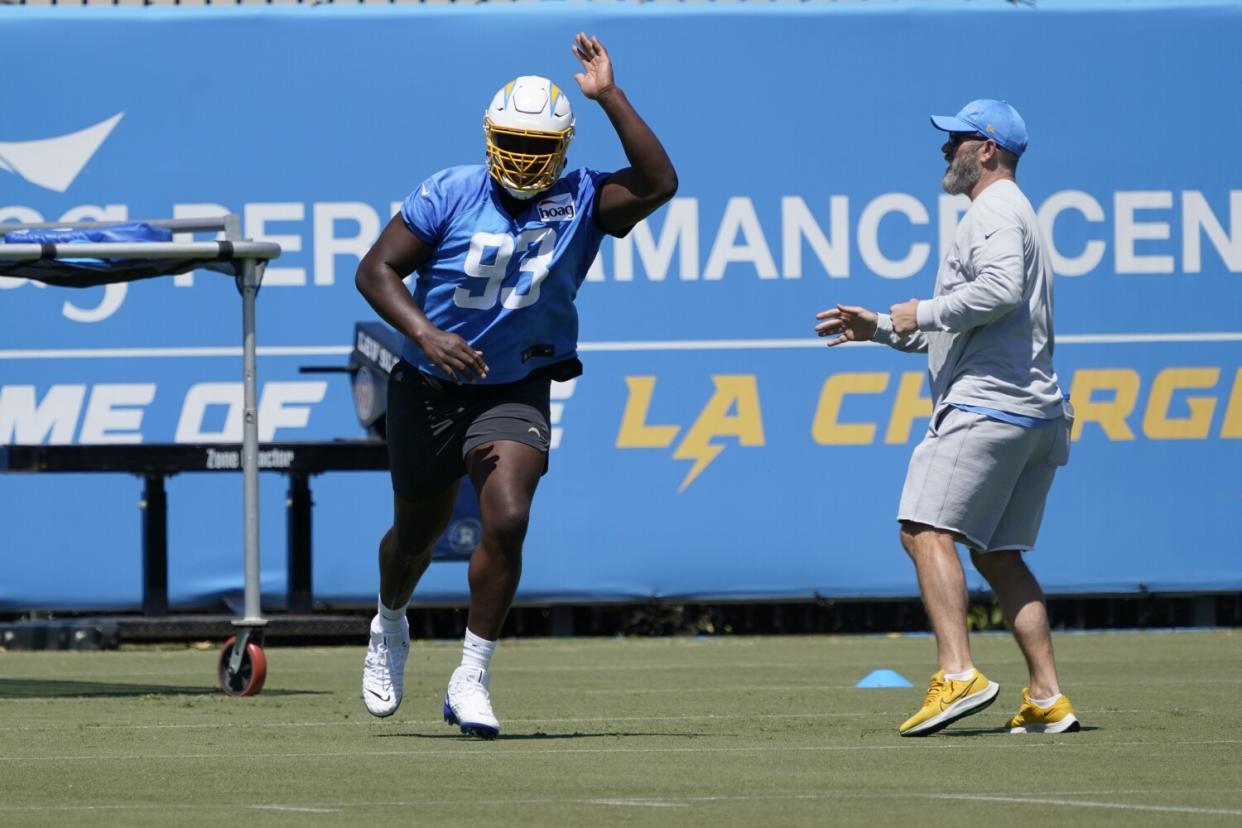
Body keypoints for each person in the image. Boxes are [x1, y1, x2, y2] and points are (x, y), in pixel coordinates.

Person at [353, 32, 677, 739]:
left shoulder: (583, 197)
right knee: (416, 535)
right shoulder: (451, 191)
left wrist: (610, 96)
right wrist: (429, 335)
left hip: (515, 384)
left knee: (506, 517)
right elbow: (375, 270)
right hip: (431, 382)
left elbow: (659, 184)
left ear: (561, 148)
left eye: (539, 146)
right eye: (512, 142)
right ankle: (390, 620)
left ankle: (471, 672)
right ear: (488, 136)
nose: (525, 159)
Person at [814, 99, 1080, 737]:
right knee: (998, 554)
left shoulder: (993, 209)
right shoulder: (1007, 212)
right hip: (1034, 410)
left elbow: (996, 292)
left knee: (922, 528)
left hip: (990, 404)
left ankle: (957, 672)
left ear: (987, 149)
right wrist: (881, 325)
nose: (944, 149)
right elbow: (962, 321)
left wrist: (922, 312)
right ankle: (1046, 696)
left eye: (956, 139)